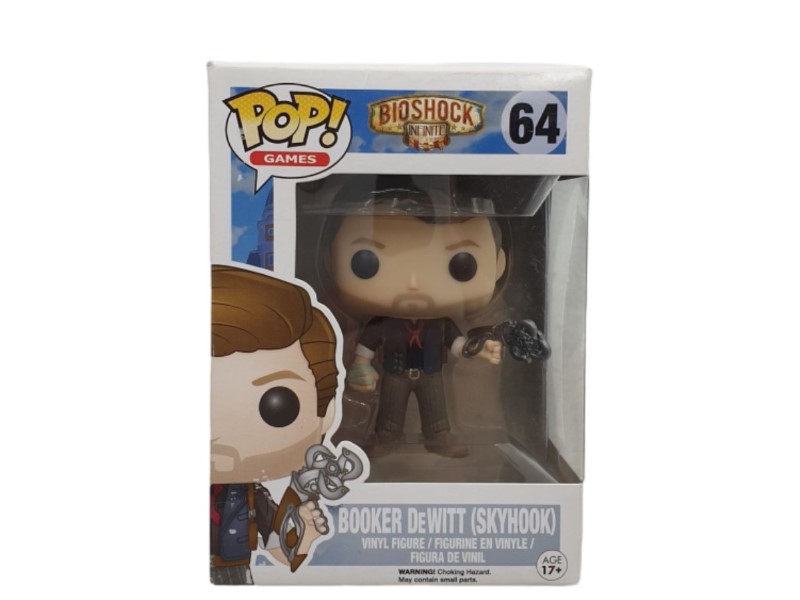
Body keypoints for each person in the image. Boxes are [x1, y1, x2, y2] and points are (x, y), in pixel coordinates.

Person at [330, 183, 505, 458]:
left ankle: (438, 438)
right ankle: (386, 438)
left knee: (436, 412)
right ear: (331, 259)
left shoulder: (441, 324)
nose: (413, 283)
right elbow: (365, 348)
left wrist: (479, 348)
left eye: (461, 265)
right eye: (366, 263)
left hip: (430, 374)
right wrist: (360, 367)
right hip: (395, 375)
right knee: (389, 413)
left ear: (499, 265)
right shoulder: (381, 324)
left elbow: (458, 344)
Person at [210, 265, 339, 583]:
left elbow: (281, 549)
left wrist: (305, 531)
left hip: (232, 574)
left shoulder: (250, 497)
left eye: (277, 406)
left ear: (325, 414)